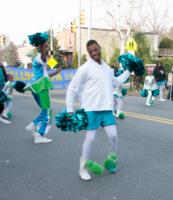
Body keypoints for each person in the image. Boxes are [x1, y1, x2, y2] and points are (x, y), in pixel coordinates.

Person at [66, 40, 131, 181]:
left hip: (106, 108)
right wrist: (70, 109)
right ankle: (82, 168)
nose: (94, 53)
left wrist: (129, 70)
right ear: (89, 53)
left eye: (96, 49)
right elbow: (72, 88)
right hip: (91, 108)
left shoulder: (107, 68)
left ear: (100, 48)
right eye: (91, 51)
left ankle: (111, 161)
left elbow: (117, 82)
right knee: (91, 138)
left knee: (113, 136)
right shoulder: (85, 68)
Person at [25, 32, 62, 144]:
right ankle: (39, 135)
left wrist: (57, 71)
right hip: (40, 87)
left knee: (45, 110)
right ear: (40, 47)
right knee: (47, 111)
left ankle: (33, 125)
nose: (47, 48)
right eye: (45, 46)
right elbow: (44, 59)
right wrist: (42, 48)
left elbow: (46, 74)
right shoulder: (39, 58)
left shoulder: (42, 59)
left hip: (37, 86)